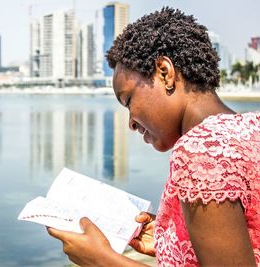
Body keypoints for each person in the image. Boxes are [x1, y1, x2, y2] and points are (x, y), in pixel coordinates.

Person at [47, 7, 260, 266]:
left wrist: (104, 261)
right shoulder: (251, 127)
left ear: (164, 72)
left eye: (128, 101)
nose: (131, 124)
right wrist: (173, 238)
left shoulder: (200, 151)